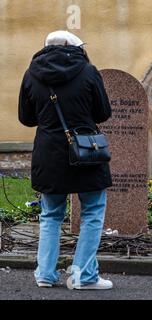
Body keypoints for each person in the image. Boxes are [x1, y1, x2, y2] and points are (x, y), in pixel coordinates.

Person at [19, 31, 113, 290]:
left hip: (49, 152)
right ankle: (84, 277)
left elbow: (26, 118)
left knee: (50, 214)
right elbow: (103, 113)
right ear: (76, 47)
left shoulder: (32, 74)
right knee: (92, 212)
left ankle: (45, 275)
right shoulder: (88, 71)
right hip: (85, 151)